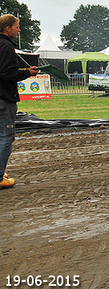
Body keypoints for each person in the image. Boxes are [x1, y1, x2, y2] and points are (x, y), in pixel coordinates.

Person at [0, 14, 39, 188]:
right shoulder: (6, 46)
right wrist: (27, 73)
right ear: (7, 28)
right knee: (6, 137)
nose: (19, 29)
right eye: (17, 26)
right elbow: (7, 73)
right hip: (4, 98)